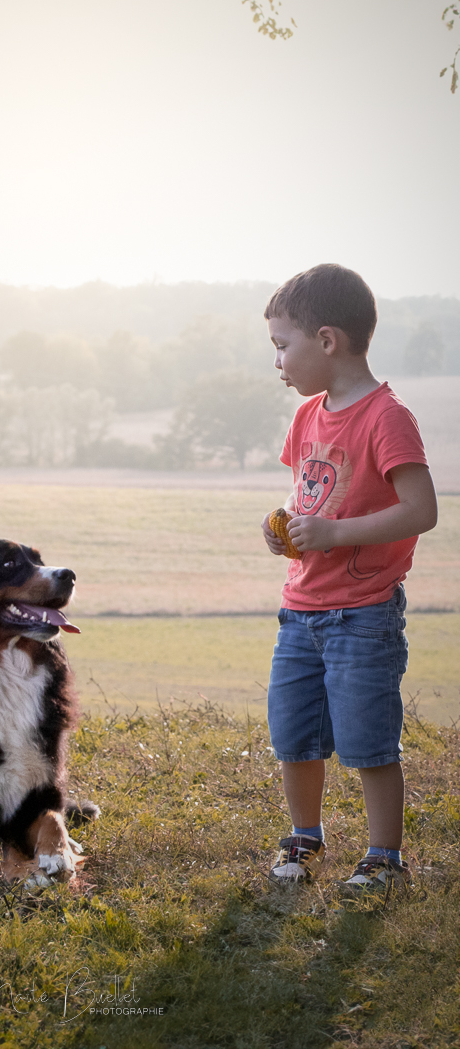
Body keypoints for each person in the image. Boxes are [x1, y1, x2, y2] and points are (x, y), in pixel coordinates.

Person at [260, 263, 438, 896]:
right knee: (294, 733)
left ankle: (384, 854)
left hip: (363, 614)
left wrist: (333, 535)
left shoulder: (387, 416)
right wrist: (286, 528)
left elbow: (422, 510)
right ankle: (304, 837)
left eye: (283, 346)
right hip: (300, 610)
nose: (277, 360)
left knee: (368, 739)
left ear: (327, 340)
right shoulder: (309, 416)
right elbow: (312, 491)